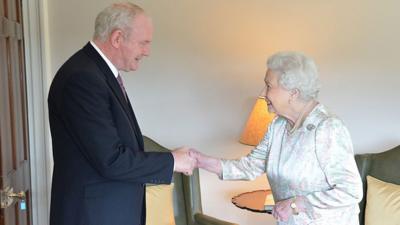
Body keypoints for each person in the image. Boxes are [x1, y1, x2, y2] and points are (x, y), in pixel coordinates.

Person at [48, 2, 196, 225]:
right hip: (94, 217)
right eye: (143, 43)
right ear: (117, 38)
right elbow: (111, 159)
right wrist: (171, 161)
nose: (147, 51)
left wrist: (172, 158)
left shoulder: (96, 72)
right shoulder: (83, 79)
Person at [190, 52, 363, 224]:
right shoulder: (277, 126)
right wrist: (202, 161)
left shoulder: (328, 128)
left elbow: (350, 190)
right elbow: (250, 166)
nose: (263, 93)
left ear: (293, 93)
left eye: (268, 85)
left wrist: (297, 204)